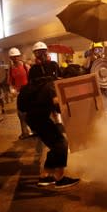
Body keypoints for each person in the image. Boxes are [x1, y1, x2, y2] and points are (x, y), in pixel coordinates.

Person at [25, 41, 79, 188]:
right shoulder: (37, 75)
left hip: (38, 114)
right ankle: (60, 179)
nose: (41, 55)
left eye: (43, 52)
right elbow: (56, 97)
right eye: (38, 52)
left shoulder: (53, 67)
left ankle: (45, 176)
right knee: (61, 144)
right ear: (35, 54)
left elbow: (58, 88)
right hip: (38, 114)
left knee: (56, 145)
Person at [8, 47, 33, 139]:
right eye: (12, 57)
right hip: (19, 94)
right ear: (10, 58)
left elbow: (32, 78)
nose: (14, 58)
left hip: (29, 92)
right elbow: (10, 81)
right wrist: (12, 90)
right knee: (21, 114)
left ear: (19, 56)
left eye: (16, 56)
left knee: (30, 112)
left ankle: (35, 130)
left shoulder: (26, 67)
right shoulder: (11, 69)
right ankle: (25, 132)